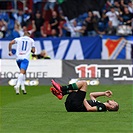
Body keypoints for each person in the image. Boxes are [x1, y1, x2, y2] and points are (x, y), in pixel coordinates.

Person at [50, 79, 119, 112]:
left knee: (84, 83)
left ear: (112, 106)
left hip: (76, 107)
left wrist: (83, 99)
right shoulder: (100, 104)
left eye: (114, 102)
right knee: (76, 88)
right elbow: (92, 95)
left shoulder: (103, 107)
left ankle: (62, 89)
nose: (113, 100)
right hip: (72, 106)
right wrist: (104, 93)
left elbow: (89, 109)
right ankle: (61, 93)